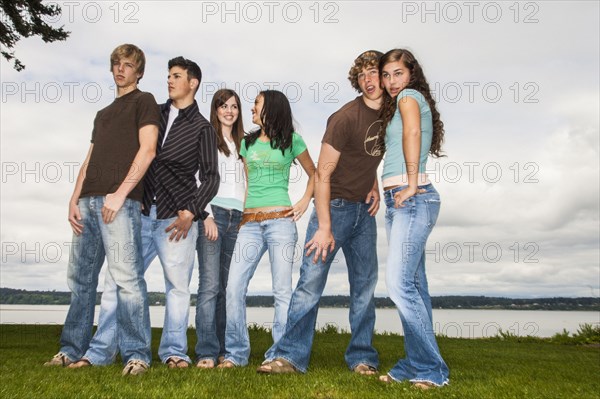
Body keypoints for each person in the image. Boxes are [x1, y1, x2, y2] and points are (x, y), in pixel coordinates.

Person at [66, 56, 220, 370]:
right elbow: (138, 152)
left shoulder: (202, 128)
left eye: (176, 76)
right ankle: (99, 352)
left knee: (176, 288)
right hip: (139, 212)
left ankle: (174, 352)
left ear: (193, 83)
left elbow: (211, 177)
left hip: (176, 221)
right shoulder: (153, 112)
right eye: (168, 75)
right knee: (117, 283)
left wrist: (192, 212)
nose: (169, 80)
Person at [258, 50, 384, 375]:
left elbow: (368, 157)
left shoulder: (390, 117)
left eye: (375, 73)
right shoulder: (344, 119)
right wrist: (324, 225)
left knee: (364, 287)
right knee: (310, 284)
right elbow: (322, 175)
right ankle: (289, 356)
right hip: (334, 209)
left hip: (364, 215)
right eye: (362, 75)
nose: (369, 81)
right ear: (357, 81)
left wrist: (374, 184)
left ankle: (362, 358)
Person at [44, 44, 160, 375]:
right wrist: (73, 199)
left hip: (118, 204)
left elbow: (148, 149)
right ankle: (70, 349)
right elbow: (89, 159)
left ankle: (137, 355)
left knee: (127, 280)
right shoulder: (102, 114)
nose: (120, 69)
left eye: (127, 65)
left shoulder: (144, 101)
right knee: (80, 280)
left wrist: (120, 194)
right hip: (87, 204)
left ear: (139, 71)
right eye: (116, 64)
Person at [220, 90, 316, 368]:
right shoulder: (247, 144)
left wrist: (304, 200)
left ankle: (280, 355)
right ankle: (236, 354)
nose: (251, 109)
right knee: (233, 286)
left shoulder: (292, 141)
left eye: (256, 104)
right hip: (249, 224)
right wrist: (243, 215)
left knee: (282, 291)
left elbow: (317, 173)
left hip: (280, 222)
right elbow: (249, 183)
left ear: (271, 108)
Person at [377, 48, 449, 389]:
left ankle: (433, 370)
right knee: (415, 286)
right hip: (399, 199)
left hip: (412, 197)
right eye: (387, 75)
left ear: (411, 74)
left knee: (398, 284)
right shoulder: (402, 102)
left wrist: (410, 182)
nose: (392, 82)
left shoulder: (408, 97)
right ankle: (413, 361)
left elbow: (413, 136)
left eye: (398, 73)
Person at [195, 89, 245, 368]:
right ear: (215, 109)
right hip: (213, 215)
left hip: (238, 217)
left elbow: (248, 181)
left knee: (228, 287)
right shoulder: (206, 138)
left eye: (234, 106)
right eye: (223, 106)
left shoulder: (244, 143)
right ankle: (206, 351)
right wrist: (204, 215)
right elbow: (193, 179)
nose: (229, 110)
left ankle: (225, 349)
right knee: (210, 285)